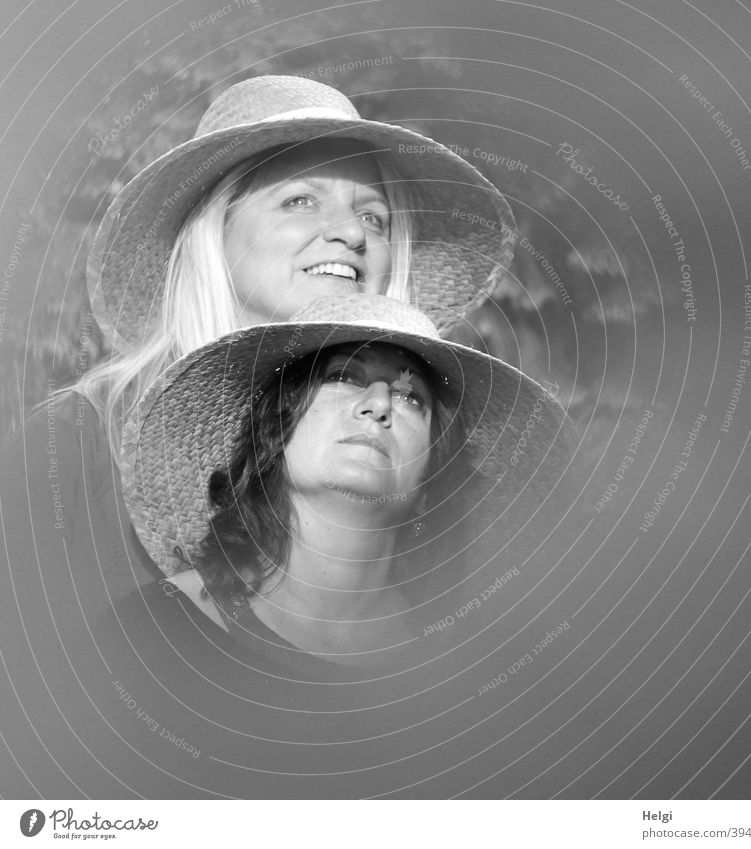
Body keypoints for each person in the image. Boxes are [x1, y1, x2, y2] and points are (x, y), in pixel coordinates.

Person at [0, 294, 577, 798]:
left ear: (432, 478)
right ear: (275, 431)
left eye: (412, 399)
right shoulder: (143, 645)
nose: (379, 404)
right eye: (347, 377)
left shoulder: (486, 680)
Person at [0, 74, 517, 605]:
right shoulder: (76, 441)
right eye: (300, 201)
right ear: (213, 230)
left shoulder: (405, 453)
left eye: (372, 216)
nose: (354, 234)